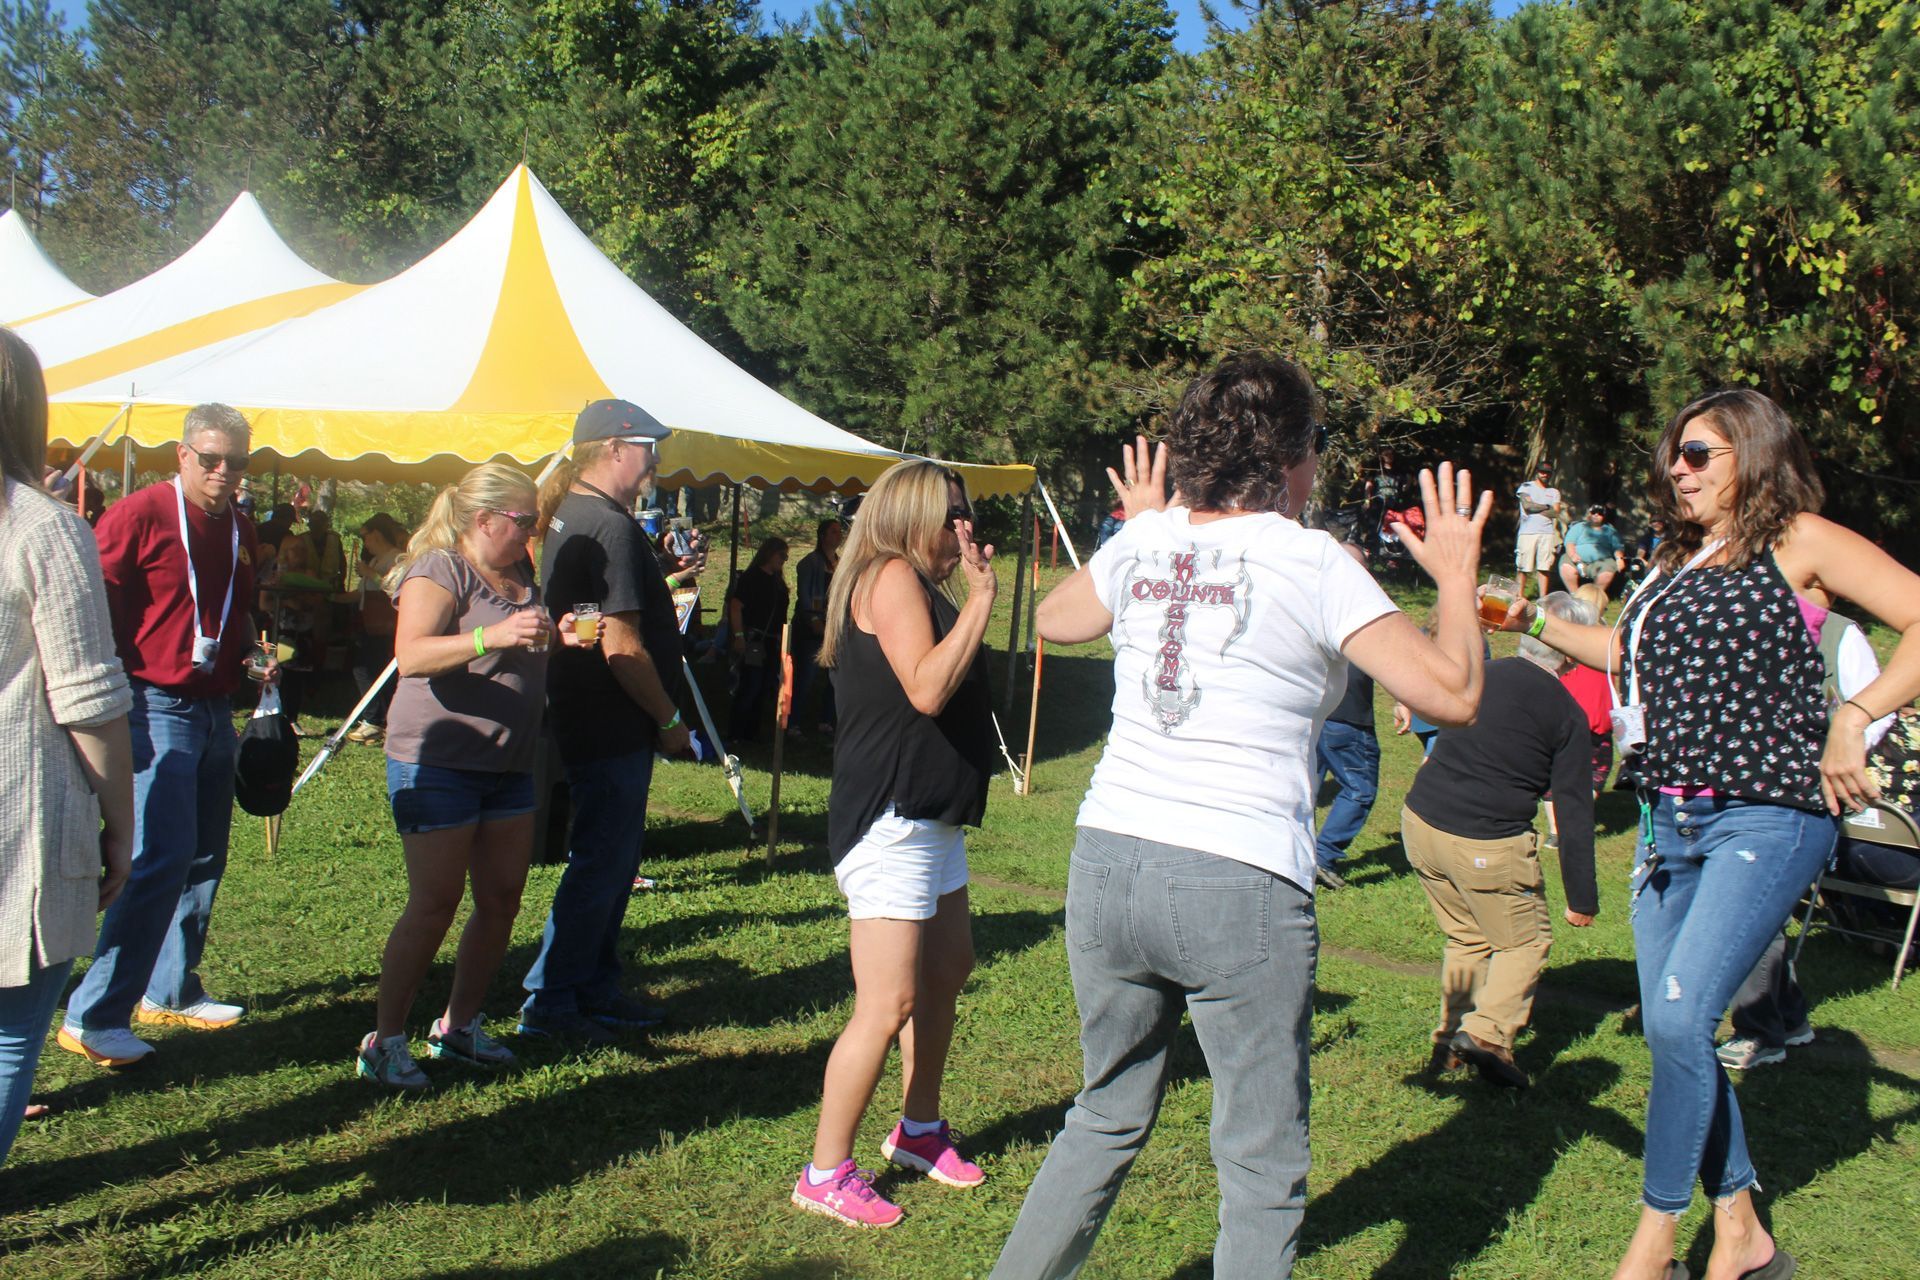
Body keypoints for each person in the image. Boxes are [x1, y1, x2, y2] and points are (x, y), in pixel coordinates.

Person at [991, 353, 1492, 1279]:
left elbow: (1061, 619)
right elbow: (1454, 692)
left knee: (1103, 1113)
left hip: (1108, 858)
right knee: (1260, 1165)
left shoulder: (1147, 541)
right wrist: (1457, 577)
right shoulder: (1312, 559)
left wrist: (1141, 533)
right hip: (1238, 872)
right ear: (1295, 457)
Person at [1494, 388, 1920, 1280]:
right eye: (1673, 457)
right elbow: (1631, 660)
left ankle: (1651, 1244)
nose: (1676, 471)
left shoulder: (1795, 538)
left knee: (1684, 1015)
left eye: (1697, 455)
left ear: (1752, 455)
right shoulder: (1673, 559)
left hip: (1765, 814)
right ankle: (1743, 1235)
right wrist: (1538, 620)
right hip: (1666, 825)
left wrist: (1859, 715)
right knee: (1674, 1033)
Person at [790, 460, 997, 1230]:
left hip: (930, 815)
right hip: (891, 819)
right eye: (953, 515)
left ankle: (918, 1128)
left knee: (947, 969)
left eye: (966, 511)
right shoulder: (891, 578)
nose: (966, 527)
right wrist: (980, 602)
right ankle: (824, 1172)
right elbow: (927, 688)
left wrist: (968, 599)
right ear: (912, 517)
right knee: (888, 1002)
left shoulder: (918, 581)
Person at [358, 465, 588, 1089]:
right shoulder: (440, 569)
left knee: (501, 900)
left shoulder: (520, 574)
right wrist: (494, 633)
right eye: (524, 521)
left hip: (508, 762)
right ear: (484, 520)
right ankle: (385, 1039)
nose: (533, 531)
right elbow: (411, 654)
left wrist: (555, 638)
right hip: (438, 763)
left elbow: (518, 649)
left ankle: (458, 1025)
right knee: (434, 903)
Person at [59, 404, 272, 1069]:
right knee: (159, 858)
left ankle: (171, 987)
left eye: (234, 462)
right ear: (182, 455)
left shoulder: (239, 527)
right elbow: (89, 602)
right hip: (153, 704)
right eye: (209, 459)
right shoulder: (139, 514)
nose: (222, 473)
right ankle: (94, 1014)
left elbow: (234, 607)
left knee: (204, 856)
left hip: (213, 707)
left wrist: (250, 657)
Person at [0, 328, 135, 1161]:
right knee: (11, 1033)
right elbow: (87, 697)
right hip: (18, 813)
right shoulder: (43, 528)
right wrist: (121, 823)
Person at [521, 400, 691, 1044]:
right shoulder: (610, 527)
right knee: (602, 861)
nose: (655, 464)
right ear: (617, 449)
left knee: (609, 860)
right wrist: (670, 717)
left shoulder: (574, 513)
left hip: (585, 714)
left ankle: (593, 984)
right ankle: (553, 998)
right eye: (651, 449)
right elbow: (621, 646)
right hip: (611, 721)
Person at [1402, 592, 1601, 1090]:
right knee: (1525, 943)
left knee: (1467, 936)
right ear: (1571, 653)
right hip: (1484, 841)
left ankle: (1450, 1038)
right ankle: (1487, 1036)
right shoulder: (1567, 714)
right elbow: (1574, 811)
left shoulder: (1483, 674)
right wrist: (1583, 896)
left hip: (1421, 820)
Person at [1716, 609, 1896, 1071]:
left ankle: (1760, 1031)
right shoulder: (1742, 612)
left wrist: (1840, 747)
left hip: (1809, 790)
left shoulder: (1840, 633)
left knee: (1751, 903)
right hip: (1742, 783)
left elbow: (1876, 708)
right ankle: (1789, 1018)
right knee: (1763, 906)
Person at [1311, 538, 1382, 891]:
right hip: (1348, 720)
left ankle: (1296, 853)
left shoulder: (1310, 598)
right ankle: (1322, 856)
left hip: (1315, 714)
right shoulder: (1363, 606)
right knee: (1360, 788)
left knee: (1306, 787)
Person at [345, 513, 407, 746]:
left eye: (367, 537)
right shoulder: (373, 561)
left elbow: (395, 589)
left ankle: (374, 721)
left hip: (388, 627)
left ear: (377, 534)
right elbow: (359, 594)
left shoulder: (398, 559)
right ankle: (377, 720)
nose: (365, 543)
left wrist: (370, 573)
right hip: (368, 624)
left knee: (372, 671)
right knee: (366, 669)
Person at [726, 537, 790, 742]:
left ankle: (751, 735)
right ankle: (736, 734)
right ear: (770, 553)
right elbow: (735, 607)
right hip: (754, 640)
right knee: (750, 687)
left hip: (772, 642)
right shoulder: (751, 578)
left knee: (763, 688)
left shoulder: (778, 582)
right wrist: (738, 636)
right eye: (782, 555)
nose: (784, 559)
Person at [790, 518, 844, 736]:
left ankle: (826, 720)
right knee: (807, 677)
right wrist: (814, 620)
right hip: (812, 628)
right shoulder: (809, 563)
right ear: (823, 536)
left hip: (834, 627)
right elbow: (805, 596)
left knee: (835, 677)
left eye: (839, 532)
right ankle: (793, 722)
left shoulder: (841, 563)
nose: (838, 535)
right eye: (833, 532)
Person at [1514, 459, 1563, 600]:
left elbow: (1556, 513)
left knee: (1545, 567)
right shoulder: (1526, 487)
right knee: (1523, 566)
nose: (1544, 474)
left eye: (1547, 472)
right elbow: (1528, 507)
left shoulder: (1554, 492)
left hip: (1546, 533)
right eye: (1542, 471)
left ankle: (1543, 599)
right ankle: (1519, 596)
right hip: (1528, 532)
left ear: (1551, 474)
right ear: (1537, 472)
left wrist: (1539, 507)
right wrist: (1547, 506)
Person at [1559, 503, 1628, 596]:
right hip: (1577, 559)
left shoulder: (1610, 531)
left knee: (1608, 571)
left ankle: (1594, 597)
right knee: (1566, 566)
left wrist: (1619, 559)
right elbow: (1569, 543)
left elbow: (1618, 547)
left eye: (1599, 513)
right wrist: (1572, 555)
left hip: (1602, 561)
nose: (1596, 515)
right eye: (1593, 512)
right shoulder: (1579, 527)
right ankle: (1574, 596)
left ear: (1604, 516)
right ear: (1589, 514)